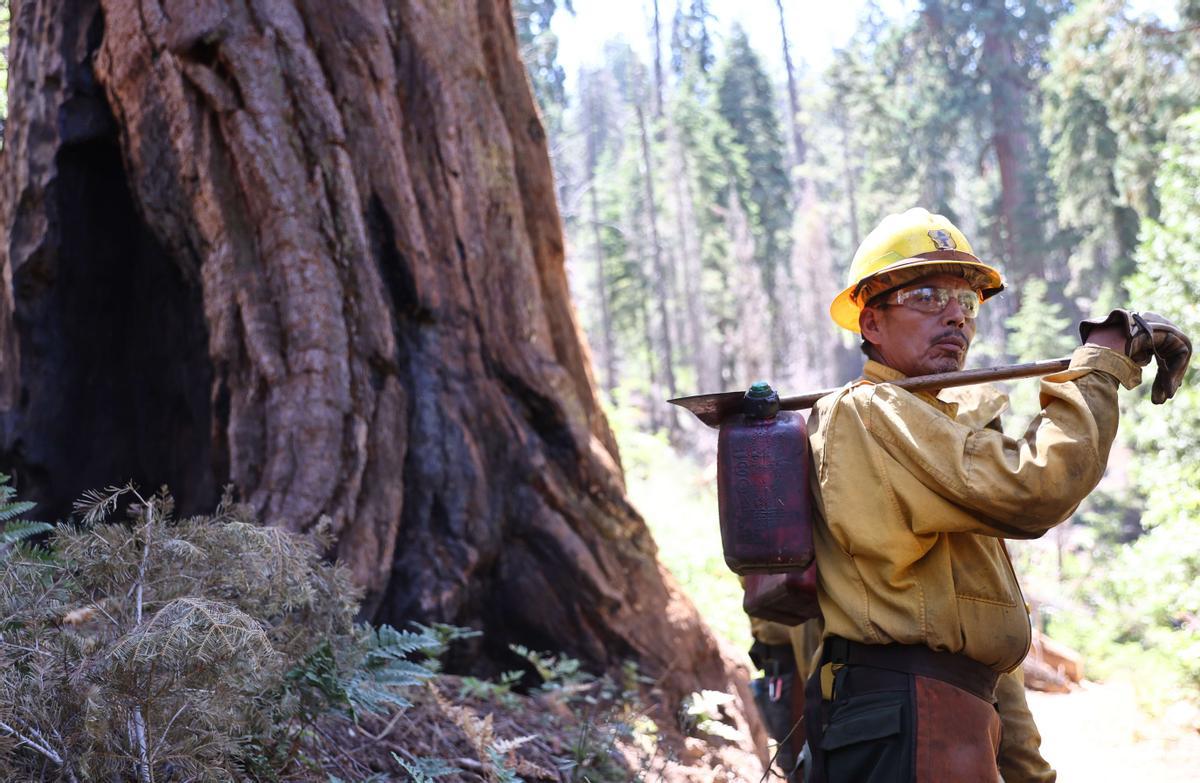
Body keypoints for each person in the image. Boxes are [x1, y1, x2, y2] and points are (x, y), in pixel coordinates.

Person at [799, 208, 1191, 782]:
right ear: (872, 322)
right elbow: (1036, 486)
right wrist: (1100, 363)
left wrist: (1027, 770)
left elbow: (984, 647)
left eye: (966, 302)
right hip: (906, 721)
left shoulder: (934, 428)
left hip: (946, 717)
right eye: (928, 297)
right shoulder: (868, 411)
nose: (955, 317)